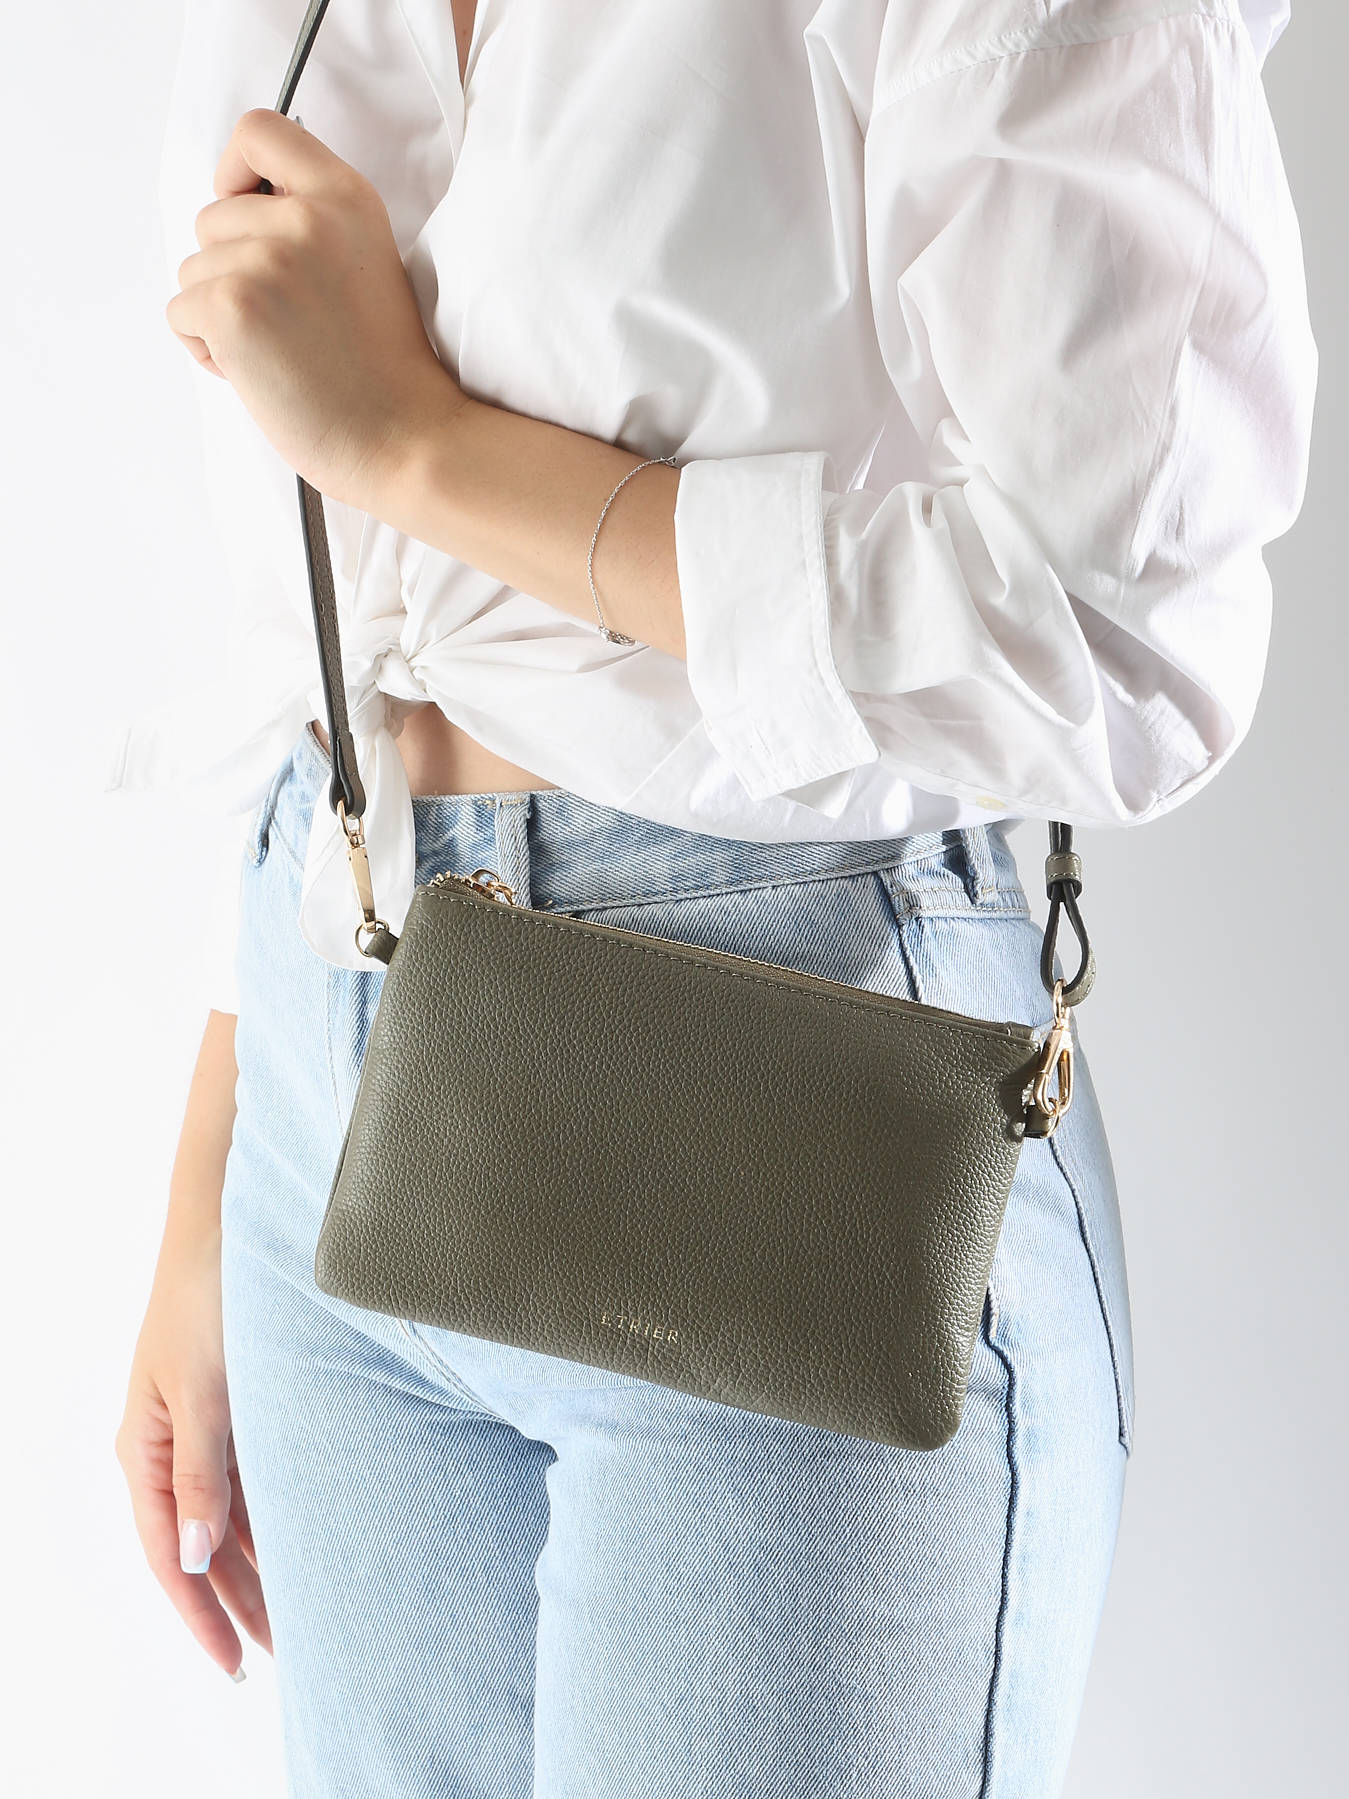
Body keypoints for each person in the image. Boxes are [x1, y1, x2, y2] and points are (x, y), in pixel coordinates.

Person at [112, 1, 1317, 1793]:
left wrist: (418, 443)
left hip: (780, 1113)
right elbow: (320, 602)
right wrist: (219, 1173)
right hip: (329, 1078)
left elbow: (1110, 627)